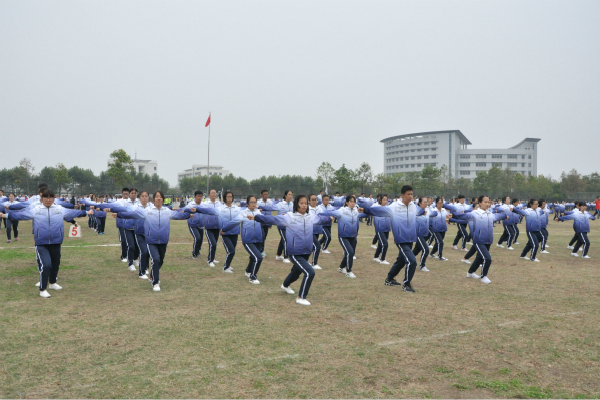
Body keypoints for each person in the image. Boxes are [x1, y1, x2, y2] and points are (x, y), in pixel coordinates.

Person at [0, 189, 93, 297]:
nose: (48, 200)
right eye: (46, 198)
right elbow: (21, 215)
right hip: (41, 242)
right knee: (46, 264)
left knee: (55, 263)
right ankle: (42, 289)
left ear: (54, 199)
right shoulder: (36, 210)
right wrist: (5, 216)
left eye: (50, 198)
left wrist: (86, 212)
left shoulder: (59, 209)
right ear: (42, 199)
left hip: (56, 241)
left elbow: (73, 213)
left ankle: (52, 283)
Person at [249, 194, 333, 306]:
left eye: (305, 203)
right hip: (294, 252)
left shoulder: (310, 216)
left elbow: (321, 219)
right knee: (310, 272)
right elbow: (273, 219)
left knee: (296, 273)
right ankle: (301, 297)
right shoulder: (289, 217)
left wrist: (329, 218)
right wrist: (256, 217)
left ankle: (285, 285)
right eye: (301, 203)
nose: (304, 205)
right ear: (297, 204)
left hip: (307, 251)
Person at [114, 191, 190, 291]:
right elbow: (132, 214)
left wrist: (189, 214)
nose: (158, 198)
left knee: (160, 261)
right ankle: (155, 282)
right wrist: (119, 215)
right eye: (156, 197)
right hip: (151, 240)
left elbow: (179, 215)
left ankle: (152, 275)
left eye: (160, 197)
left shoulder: (167, 211)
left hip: (163, 240)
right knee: (156, 259)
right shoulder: (148, 211)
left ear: (163, 199)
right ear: (154, 199)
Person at [359, 185, 420, 292]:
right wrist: (365, 210)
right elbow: (378, 210)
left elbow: (422, 211)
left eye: (412, 194)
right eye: (408, 194)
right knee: (412, 261)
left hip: (411, 238)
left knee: (401, 260)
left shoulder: (413, 206)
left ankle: (389, 279)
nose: (411, 196)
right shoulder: (394, 207)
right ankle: (406, 285)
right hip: (401, 238)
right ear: (402, 195)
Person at [452, 195, 510, 284]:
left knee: (479, 258)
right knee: (487, 258)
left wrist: (505, 216)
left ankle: (470, 273)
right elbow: (462, 215)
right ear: (479, 203)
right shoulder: (475, 214)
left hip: (488, 240)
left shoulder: (490, 214)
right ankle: (484, 276)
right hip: (478, 240)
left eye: (488, 202)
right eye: (485, 202)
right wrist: (452, 215)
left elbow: (498, 216)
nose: (487, 204)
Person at [220, 195, 266, 284]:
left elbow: (265, 220)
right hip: (248, 240)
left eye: (255, 202)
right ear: (247, 204)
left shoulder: (258, 213)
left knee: (253, 257)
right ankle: (252, 277)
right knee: (258, 257)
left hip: (258, 239)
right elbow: (233, 222)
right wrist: (224, 229)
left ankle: (248, 271)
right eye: (251, 202)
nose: (253, 204)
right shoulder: (243, 213)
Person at [319, 195, 367, 278]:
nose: (353, 203)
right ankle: (348, 271)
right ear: (347, 202)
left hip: (353, 236)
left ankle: (341, 267)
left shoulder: (356, 211)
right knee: (350, 252)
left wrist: (365, 211)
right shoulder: (342, 211)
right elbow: (331, 213)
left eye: (354, 202)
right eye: (351, 201)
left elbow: (366, 215)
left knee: (350, 253)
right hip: (343, 236)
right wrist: (318, 213)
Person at [257, 190, 294, 264]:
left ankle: (278, 255)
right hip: (281, 225)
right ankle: (286, 257)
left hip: (289, 225)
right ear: (285, 196)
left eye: (291, 194)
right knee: (286, 240)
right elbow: (270, 208)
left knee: (283, 240)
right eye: (289, 194)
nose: (290, 196)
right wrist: (260, 207)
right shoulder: (281, 204)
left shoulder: (292, 204)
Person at [182, 190, 205, 259]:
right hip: (192, 224)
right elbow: (183, 210)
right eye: (198, 196)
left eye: (201, 196)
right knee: (197, 238)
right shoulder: (191, 205)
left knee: (201, 240)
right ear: (195, 197)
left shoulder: (203, 205)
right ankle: (194, 253)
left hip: (201, 225)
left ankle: (198, 251)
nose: (200, 198)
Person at [413, 196, 432, 272]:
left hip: (425, 234)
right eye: (424, 202)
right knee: (425, 249)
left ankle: (406, 259)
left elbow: (433, 213)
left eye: (427, 202)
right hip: (418, 234)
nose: (426, 204)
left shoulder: (427, 210)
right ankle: (422, 266)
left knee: (416, 250)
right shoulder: (416, 210)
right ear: (420, 203)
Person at [372, 194, 391, 265]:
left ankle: (376, 257)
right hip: (379, 228)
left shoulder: (388, 208)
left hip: (387, 228)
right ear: (380, 200)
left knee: (381, 244)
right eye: (384, 200)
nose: (385, 201)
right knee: (385, 244)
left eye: (386, 200)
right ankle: (382, 259)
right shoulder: (375, 207)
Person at [256, 189, 273, 257]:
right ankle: (261, 251)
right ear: (261, 195)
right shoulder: (259, 203)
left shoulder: (270, 202)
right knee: (262, 236)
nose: (266, 196)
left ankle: (260, 249)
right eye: (265, 194)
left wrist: (270, 223)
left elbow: (270, 212)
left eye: (267, 194)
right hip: (260, 221)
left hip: (267, 221)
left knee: (264, 236)